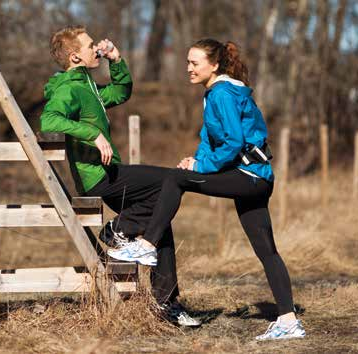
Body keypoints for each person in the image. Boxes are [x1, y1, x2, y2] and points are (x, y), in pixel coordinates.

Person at [108, 38, 306, 340]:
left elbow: (234, 142)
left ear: (214, 65)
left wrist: (200, 167)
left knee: (175, 179)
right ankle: (289, 322)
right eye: (187, 61)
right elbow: (209, 139)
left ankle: (147, 246)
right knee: (267, 250)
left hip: (248, 176)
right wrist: (196, 160)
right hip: (257, 177)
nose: (188, 68)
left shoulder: (223, 93)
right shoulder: (215, 93)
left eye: (194, 62)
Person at [40, 25, 200, 327]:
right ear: (75, 56)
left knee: (160, 222)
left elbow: (120, 92)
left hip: (110, 170)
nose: (95, 49)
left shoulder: (88, 85)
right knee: (171, 180)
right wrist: (92, 134)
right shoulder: (69, 88)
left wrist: (116, 60)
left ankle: (168, 305)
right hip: (97, 177)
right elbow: (50, 118)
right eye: (90, 46)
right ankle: (117, 229)